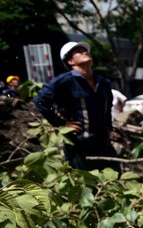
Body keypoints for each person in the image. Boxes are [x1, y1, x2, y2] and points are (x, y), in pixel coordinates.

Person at [33, 41, 120, 172]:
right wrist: (61, 124)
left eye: (85, 50)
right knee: (85, 183)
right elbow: (40, 101)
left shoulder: (103, 83)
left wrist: (109, 128)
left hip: (103, 143)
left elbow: (106, 109)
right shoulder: (64, 81)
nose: (85, 52)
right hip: (79, 145)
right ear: (70, 61)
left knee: (114, 178)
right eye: (78, 51)